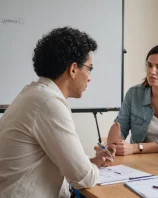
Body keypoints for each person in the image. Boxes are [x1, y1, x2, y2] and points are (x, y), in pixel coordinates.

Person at [0, 27, 115, 198]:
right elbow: (84, 178)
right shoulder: (48, 103)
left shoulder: (34, 93)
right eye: (89, 68)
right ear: (74, 69)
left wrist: (91, 162)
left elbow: (61, 161)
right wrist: (88, 168)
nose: (89, 77)